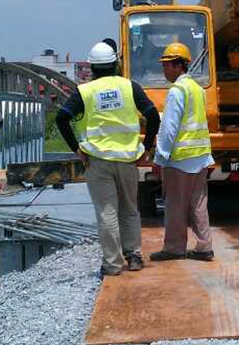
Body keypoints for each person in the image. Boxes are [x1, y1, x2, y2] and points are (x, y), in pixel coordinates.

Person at [56, 40, 160, 277]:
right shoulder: (130, 87)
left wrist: (76, 149)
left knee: (107, 212)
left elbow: (61, 118)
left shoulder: (85, 91)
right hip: (127, 159)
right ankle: (133, 256)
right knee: (130, 210)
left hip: (98, 161)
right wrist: (146, 147)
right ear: (115, 64)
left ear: (92, 68)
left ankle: (113, 265)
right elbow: (153, 115)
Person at [149, 42, 215, 262]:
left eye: (166, 65)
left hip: (180, 161)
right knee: (198, 205)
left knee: (175, 205)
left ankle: (175, 247)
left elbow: (169, 129)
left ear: (178, 66)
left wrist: (159, 157)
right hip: (200, 158)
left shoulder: (177, 91)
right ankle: (204, 247)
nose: (164, 69)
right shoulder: (197, 89)